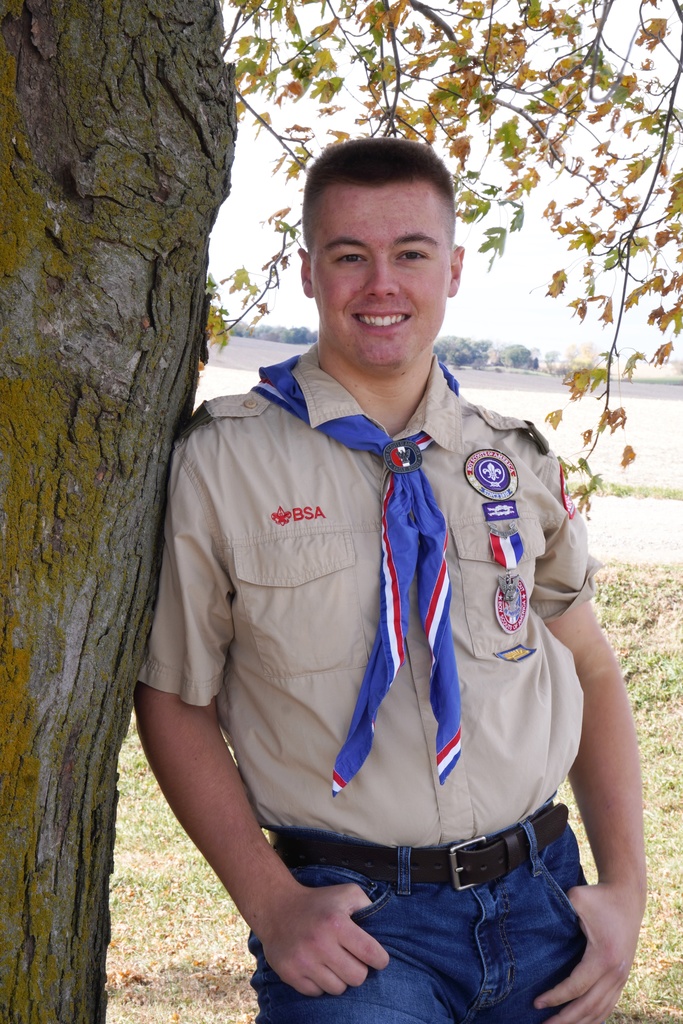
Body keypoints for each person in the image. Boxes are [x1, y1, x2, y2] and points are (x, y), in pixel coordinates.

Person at [135, 137, 646, 1024]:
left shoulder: (512, 459)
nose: (381, 285)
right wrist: (268, 898)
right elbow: (174, 697)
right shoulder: (222, 463)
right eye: (349, 256)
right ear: (307, 272)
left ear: (450, 269)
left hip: (544, 908)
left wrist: (628, 890)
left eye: (410, 254)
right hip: (360, 926)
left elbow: (588, 664)